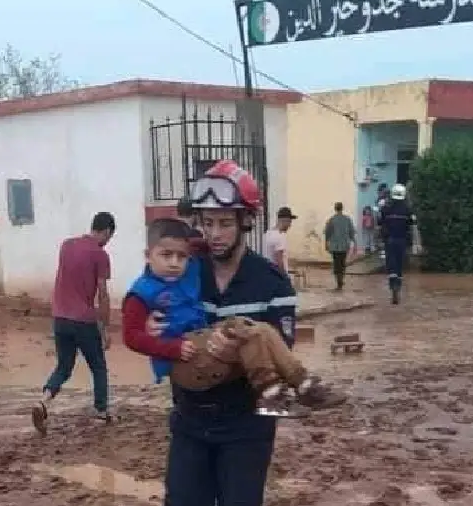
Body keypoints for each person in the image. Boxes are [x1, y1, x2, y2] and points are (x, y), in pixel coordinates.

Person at [121, 159, 305, 506]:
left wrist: (235, 354)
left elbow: (283, 349)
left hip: (247, 428)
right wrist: (147, 325)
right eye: (207, 223)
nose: (214, 233)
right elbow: (144, 297)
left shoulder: (273, 283)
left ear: (245, 221)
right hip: (189, 422)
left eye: (224, 223)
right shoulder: (182, 271)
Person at [125, 217, 344, 417]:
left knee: (260, 329)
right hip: (183, 362)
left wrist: (198, 239)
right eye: (166, 255)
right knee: (247, 335)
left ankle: (303, 384)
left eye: (181, 256)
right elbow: (131, 337)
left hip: (202, 343)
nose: (174, 262)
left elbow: (202, 245)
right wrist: (171, 348)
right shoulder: (141, 292)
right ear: (148, 256)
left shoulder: (188, 270)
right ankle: (270, 393)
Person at [31, 211, 116, 435]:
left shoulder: (66, 245)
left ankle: (43, 401)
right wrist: (105, 329)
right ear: (107, 231)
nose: (108, 242)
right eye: (109, 237)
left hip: (60, 317)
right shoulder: (100, 255)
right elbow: (103, 294)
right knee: (98, 366)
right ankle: (101, 411)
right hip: (83, 320)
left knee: (63, 367)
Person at [378, 184, 416, 305]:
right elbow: (412, 227)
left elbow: (380, 225)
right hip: (402, 241)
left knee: (391, 264)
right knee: (399, 265)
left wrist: (379, 240)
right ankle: (397, 287)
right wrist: (415, 243)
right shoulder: (408, 210)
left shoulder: (385, 209)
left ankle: (393, 286)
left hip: (389, 241)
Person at [323, 202, 356, 291]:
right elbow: (352, 232)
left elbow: (327, 233)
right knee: (342, 263)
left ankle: (339, 282)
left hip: (335, 246)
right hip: (345, 246)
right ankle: (341, 280)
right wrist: (355, 244)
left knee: (336, 264)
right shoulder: (347, 219)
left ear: (335, 208)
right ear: (342, 208)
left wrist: (326, 244)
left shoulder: (331, 220)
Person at [262, 206, 295, 273]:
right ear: (284, 220)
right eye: (289, 222)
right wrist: (284, 276)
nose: (290, 225)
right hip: (277, 275)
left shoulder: (268, 234)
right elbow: (280, 261)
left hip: (268, 272)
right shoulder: (280, 237)